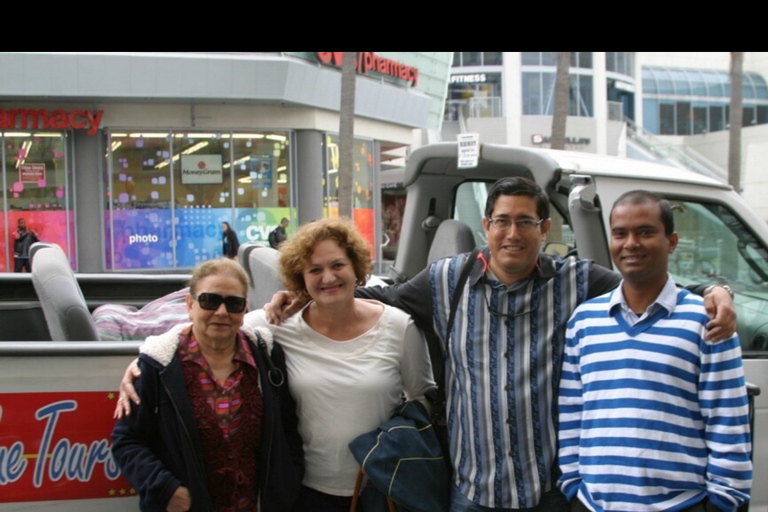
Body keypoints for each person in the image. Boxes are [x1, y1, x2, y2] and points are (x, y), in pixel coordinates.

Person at [265, 177, 736, 512]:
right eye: (502, 221)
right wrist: (302, 294)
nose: (513, 233)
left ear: (545, 230)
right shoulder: (447, 280)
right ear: (487, 225)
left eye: (527, 222)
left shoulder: (576, 282)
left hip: (550, 491)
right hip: (471, 491)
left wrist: (715, 293)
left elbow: (644, 281)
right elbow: (380, 296)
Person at [116, 218, 434, 512]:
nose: (328, 277)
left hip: (381, 490)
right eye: (315, 270)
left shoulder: (398, 327)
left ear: (357, 267)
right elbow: (215, 323)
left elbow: (422, 399)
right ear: (300, 278)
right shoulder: (277, 326)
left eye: (338, 265)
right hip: (306, 492)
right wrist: (150, 356)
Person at [557, 191, 752, 512]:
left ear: (671, 241)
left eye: (645, 232)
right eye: (620, 233)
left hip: (681, 505)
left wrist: (721, 502)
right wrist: (573, 485)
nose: (631, 243)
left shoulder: (709, 321)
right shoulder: (584, 320)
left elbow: (728, 421)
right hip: (593, 505)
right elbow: (572, 413)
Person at [111, 258, 303, 512]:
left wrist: (287, 485)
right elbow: (126, 440)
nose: (221, 312)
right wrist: (163, 488)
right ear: (190, 305)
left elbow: (287, 427)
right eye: (209, 300)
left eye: (233, 303)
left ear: (245, 309)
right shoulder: (159, 366)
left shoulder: (267, 357)